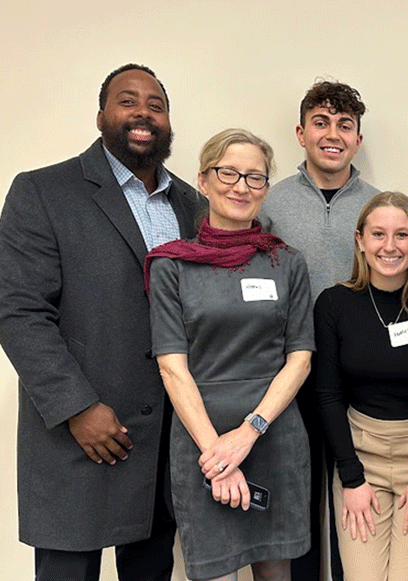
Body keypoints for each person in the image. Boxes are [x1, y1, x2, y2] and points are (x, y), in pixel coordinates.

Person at [0, 63, 202, 581]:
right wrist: (77, 407)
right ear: (102, 114)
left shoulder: (193, 206)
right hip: (82, 435)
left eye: (156, 104)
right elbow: (18, 310)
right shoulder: (45, 191)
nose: (143, 114)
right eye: (128, 101)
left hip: (165, 441)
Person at [146, 128, 313, 581]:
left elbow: (300, 359)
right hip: (203, 443)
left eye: (255, 178)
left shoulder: (287, 263)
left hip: (273, 438)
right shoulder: (170, 265)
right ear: (203, 180)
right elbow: (171, 368)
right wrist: (218, 456)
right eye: (229, 173)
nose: (241, 186)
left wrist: (247, 434)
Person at [258, 80, 379, 580]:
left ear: (357, 138)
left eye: (345, 125)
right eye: (321, 123)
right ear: (301, 133)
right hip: (292, 373)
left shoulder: (379, 205)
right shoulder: (270, 203)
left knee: (356, 500)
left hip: (360, 375)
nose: (333, 134)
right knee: (300, 498)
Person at [315, 192, 408, 581]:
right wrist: (353, 479)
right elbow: (328, 395)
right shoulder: (334, 305)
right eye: (378, 234)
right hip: (360, 460)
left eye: (402, 235)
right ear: (360, 240)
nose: (389, 247)